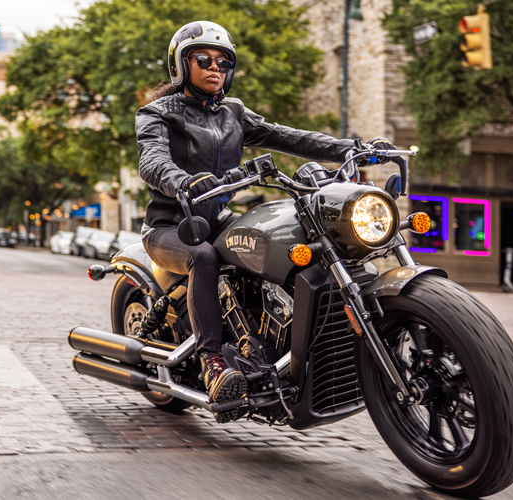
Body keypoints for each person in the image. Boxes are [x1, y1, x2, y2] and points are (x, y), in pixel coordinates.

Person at [135, 20, 394, 421]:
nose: (214, 67)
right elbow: (152, 160)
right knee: (203, 257)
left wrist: (356, 148)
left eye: (223, 61)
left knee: (266, 240)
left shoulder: (234, 113)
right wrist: (182, 181)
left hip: (217, 218)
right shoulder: (157, 113)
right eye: (202, 59)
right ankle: (213, 363)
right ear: (181, 66)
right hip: (172, 227)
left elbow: (292, 137)